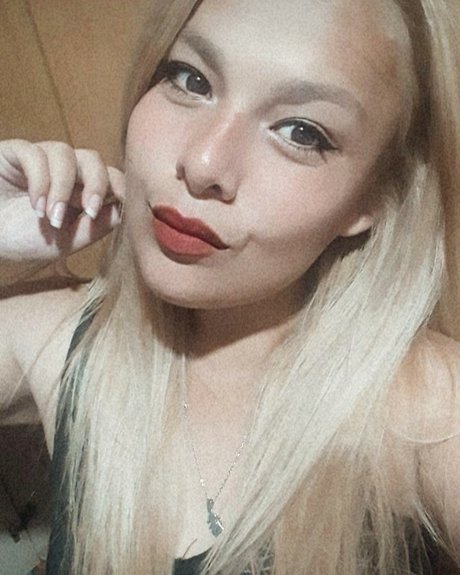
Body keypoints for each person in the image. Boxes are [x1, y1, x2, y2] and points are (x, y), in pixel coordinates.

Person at [1, 0, 460, 573]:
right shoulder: (59, 340)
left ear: (373, 198)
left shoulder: (427, 409)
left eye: (301, 132)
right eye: (190, 79)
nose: (203, 164)